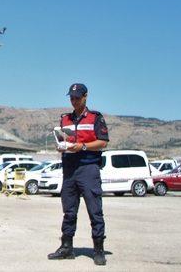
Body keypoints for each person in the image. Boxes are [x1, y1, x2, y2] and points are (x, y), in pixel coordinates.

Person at [48, 83, 109, 266]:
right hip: (69, 168)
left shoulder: (95, 118)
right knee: (69, 211)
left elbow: (103, 142)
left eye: (77, 98)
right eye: (71, 98)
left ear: (85, 97)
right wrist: (61, 146)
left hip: (88, 168)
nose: (74, 101)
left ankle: (98, 250)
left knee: (94, 210)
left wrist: (82, 146)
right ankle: (66, 247)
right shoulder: (65, 119)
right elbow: (64, 140)